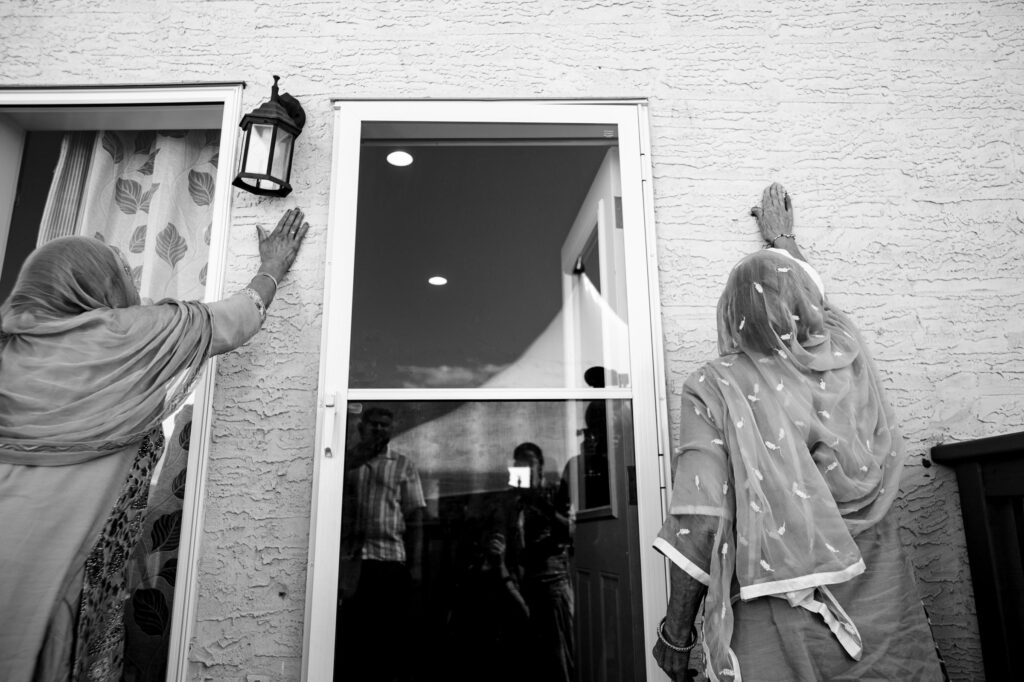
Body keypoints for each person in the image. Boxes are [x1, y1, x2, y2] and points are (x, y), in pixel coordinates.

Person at [0, 208, 310, 682]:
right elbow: (235, 319)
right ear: (96, 286)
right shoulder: (127, 336)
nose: (129, 279)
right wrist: (271, 268)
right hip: (65, 576)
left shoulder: (10, 349)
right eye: (120, 271)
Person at [652, 184, 945, 681]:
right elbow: (816, 306)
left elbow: (702, 521)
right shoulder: (845, 363)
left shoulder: (716, 386)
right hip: (878, 602)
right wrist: (784, 242)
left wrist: (675, 637)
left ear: (732, 313)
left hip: (780, 616)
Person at [335, 406, 426, 682]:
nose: (378, 430)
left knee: (388, 637)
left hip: (390, 560)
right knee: (354, 636)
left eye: (384, 425)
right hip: (353, 562)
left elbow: (415, 518)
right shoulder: (345, 462)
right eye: (373, 424)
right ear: (361, 428)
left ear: (392, 430)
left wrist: (417, 565)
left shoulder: (402, 464)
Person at [482, 442, 575, 682]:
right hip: (520, 586)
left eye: (529, 462)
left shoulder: (554, 492)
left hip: (553, 583)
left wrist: (538, 502)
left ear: (541, 467)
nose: (524, 467)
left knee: (559, 658)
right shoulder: (509, 500)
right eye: (519, 463)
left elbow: (570, 531)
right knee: (527, 660)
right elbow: (500, 534)